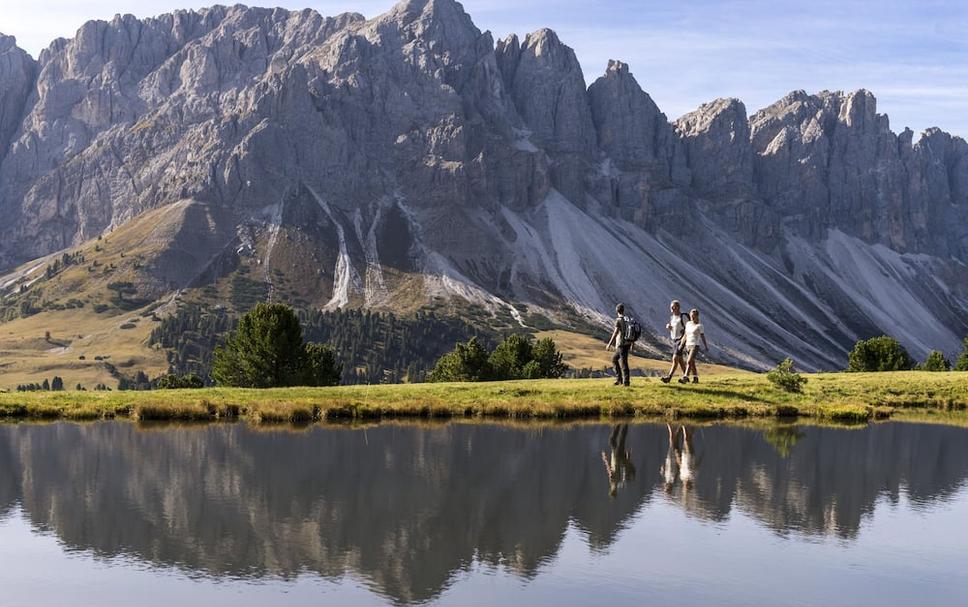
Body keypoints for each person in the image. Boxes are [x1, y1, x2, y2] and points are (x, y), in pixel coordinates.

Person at [601, 423, 636, 497]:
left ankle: (624, 424)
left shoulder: (619, 482)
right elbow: (609, 469)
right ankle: (620, 424)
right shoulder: (613, 481)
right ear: (612, 490)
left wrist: (627, 458)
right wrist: (605, 458)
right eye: (612, 490)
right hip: (616, 456)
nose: (612, 488)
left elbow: (622, 468)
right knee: (614, 441)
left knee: (619, 440)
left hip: (619, 458)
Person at [661, 300, 690, 383]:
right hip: (674, 340)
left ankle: (669, 377)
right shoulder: (672, 317)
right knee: (680, 360)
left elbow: (689, 328)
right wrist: (668, 327)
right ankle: (686, 377)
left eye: (674, 307)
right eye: (671, 307)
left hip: (681, 339)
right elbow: (673, 327)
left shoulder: (683, 316)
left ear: (678, 307)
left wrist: (684, 336)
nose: (672, 309)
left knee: (675, 358)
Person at [679, 308, 708, 384]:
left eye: (694, 316)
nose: (692, 317)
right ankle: (695, 378)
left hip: (695, 345)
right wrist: (681, 344)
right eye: (691, 316)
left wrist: (705, 346)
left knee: (689, 361)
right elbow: (685, 334)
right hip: (687, 345)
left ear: (697, 316)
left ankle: (685, 377)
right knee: (692, 363)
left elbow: (702, 336)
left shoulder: (700, 326)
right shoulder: (688, 324)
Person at [605, 303, 631, 386]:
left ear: (617, 311)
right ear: (623, 310)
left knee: (623, 363)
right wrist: (632, 343)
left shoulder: (619, 320)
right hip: (627, 343)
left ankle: (625, 382)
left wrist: (609, 344)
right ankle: (620, 380)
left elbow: (615, 332)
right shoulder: (627, 320)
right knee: (615, 359)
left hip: (621, 344)